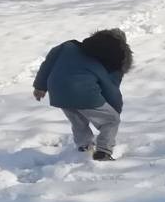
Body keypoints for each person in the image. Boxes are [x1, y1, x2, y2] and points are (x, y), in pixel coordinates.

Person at [32, 29, 133, 161]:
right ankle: (103, 152)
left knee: (78, 121)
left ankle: (84, 147)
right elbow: (110, 89)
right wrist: (115, 109)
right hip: (85, 92)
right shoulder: (111, 61)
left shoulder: (68, 46)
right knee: (111, 120)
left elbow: (48, 64)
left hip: (58, 91)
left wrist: (40, 86)